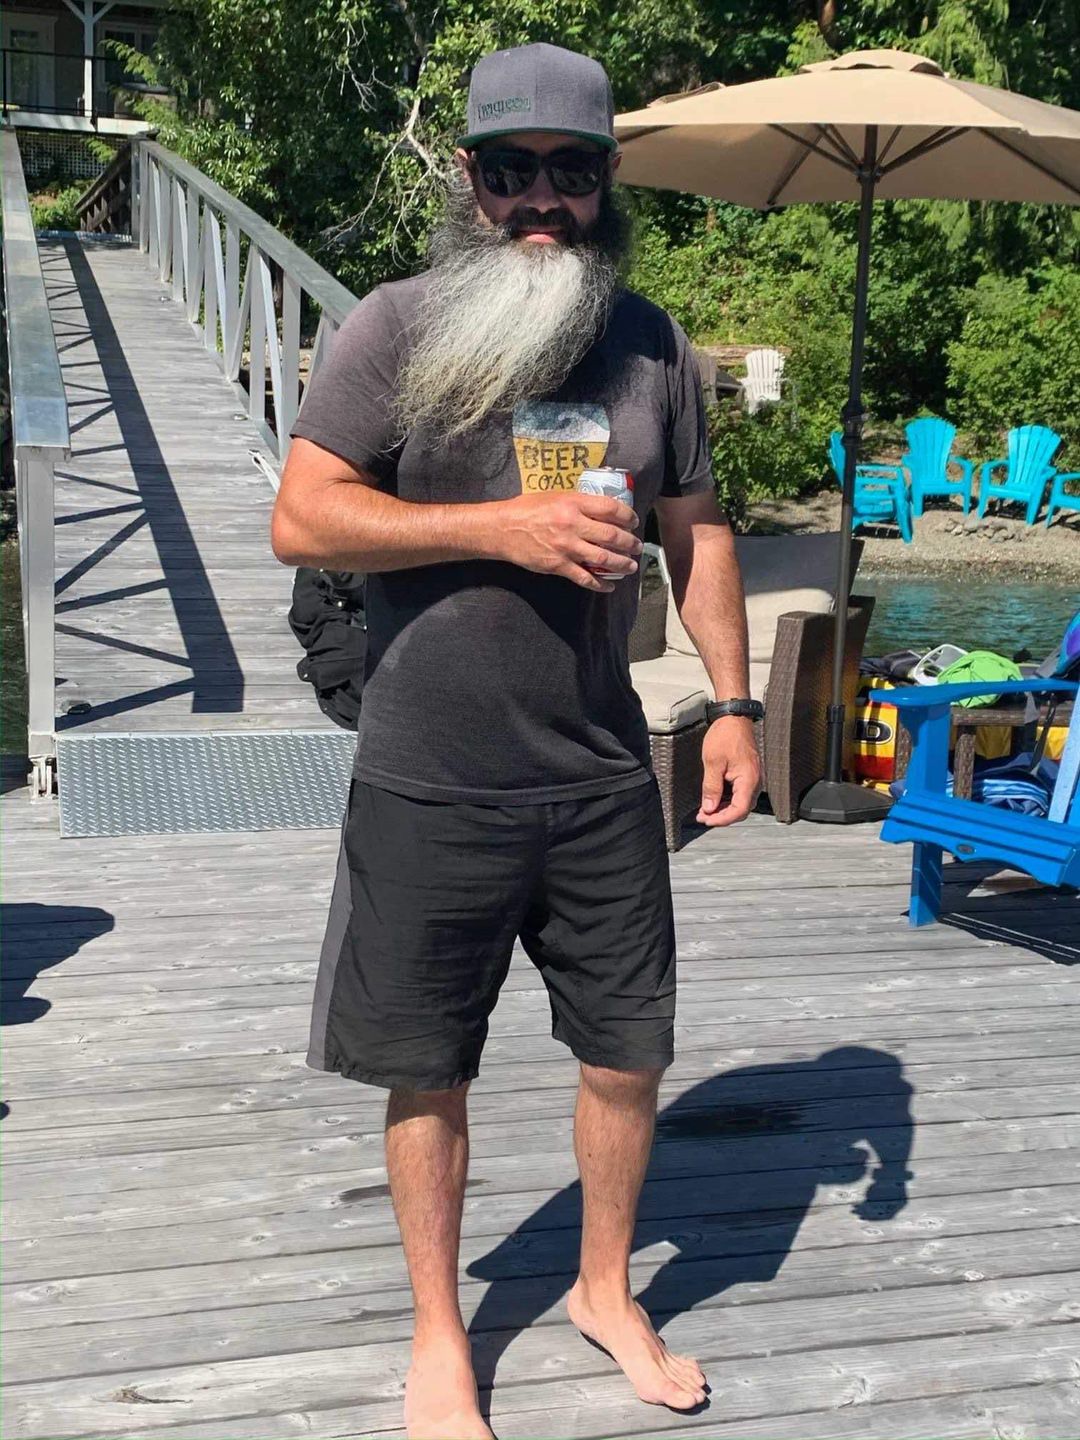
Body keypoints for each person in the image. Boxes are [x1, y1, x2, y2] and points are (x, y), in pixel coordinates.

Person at [271, 41, 761, 1440]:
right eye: (511, 171)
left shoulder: (653, 343)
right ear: (470, 183)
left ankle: (606, 1287)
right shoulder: (393, 328)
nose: (541, 199)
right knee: (429, 1064)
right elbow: (303, 517)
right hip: (429, 775)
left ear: (608, 182)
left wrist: (733, 706)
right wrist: (500, 527)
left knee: (628, 1050)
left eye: (572, 170)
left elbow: (700, 532)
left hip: (604, 768)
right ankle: (441, 1336)